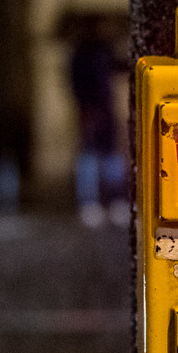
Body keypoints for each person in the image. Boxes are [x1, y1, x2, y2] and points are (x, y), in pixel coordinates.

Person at [67, 14, 127, 227]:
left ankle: (115, 202)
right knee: (90, 159)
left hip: (106, 109)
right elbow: (76, 82)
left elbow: (120, 67)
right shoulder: (83, 52)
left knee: (112, 158)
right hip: (91, 110)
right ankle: (89, 204)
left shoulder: (104, 49)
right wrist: (85, 108)